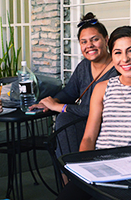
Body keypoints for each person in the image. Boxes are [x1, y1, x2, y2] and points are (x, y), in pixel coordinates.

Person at [56, 25, 131, 200]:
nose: (124, 59)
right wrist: (83, 170)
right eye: (118, 53)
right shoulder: (102, 88)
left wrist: (121, 171)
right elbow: (89, 137)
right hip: (98, 170)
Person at [29, 12, 119, 156]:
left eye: (95, 39)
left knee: (64, 118)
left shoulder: (118, 69)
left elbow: (97, 111)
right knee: (64, 120)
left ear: (106, 40)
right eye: (84, 42)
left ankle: (73, 172)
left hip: (106, 126)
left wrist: (59, 107)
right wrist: (51, 102)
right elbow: (70, 92)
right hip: (84, 122)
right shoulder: (84, 66)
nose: (89, 45)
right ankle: (67, 175)